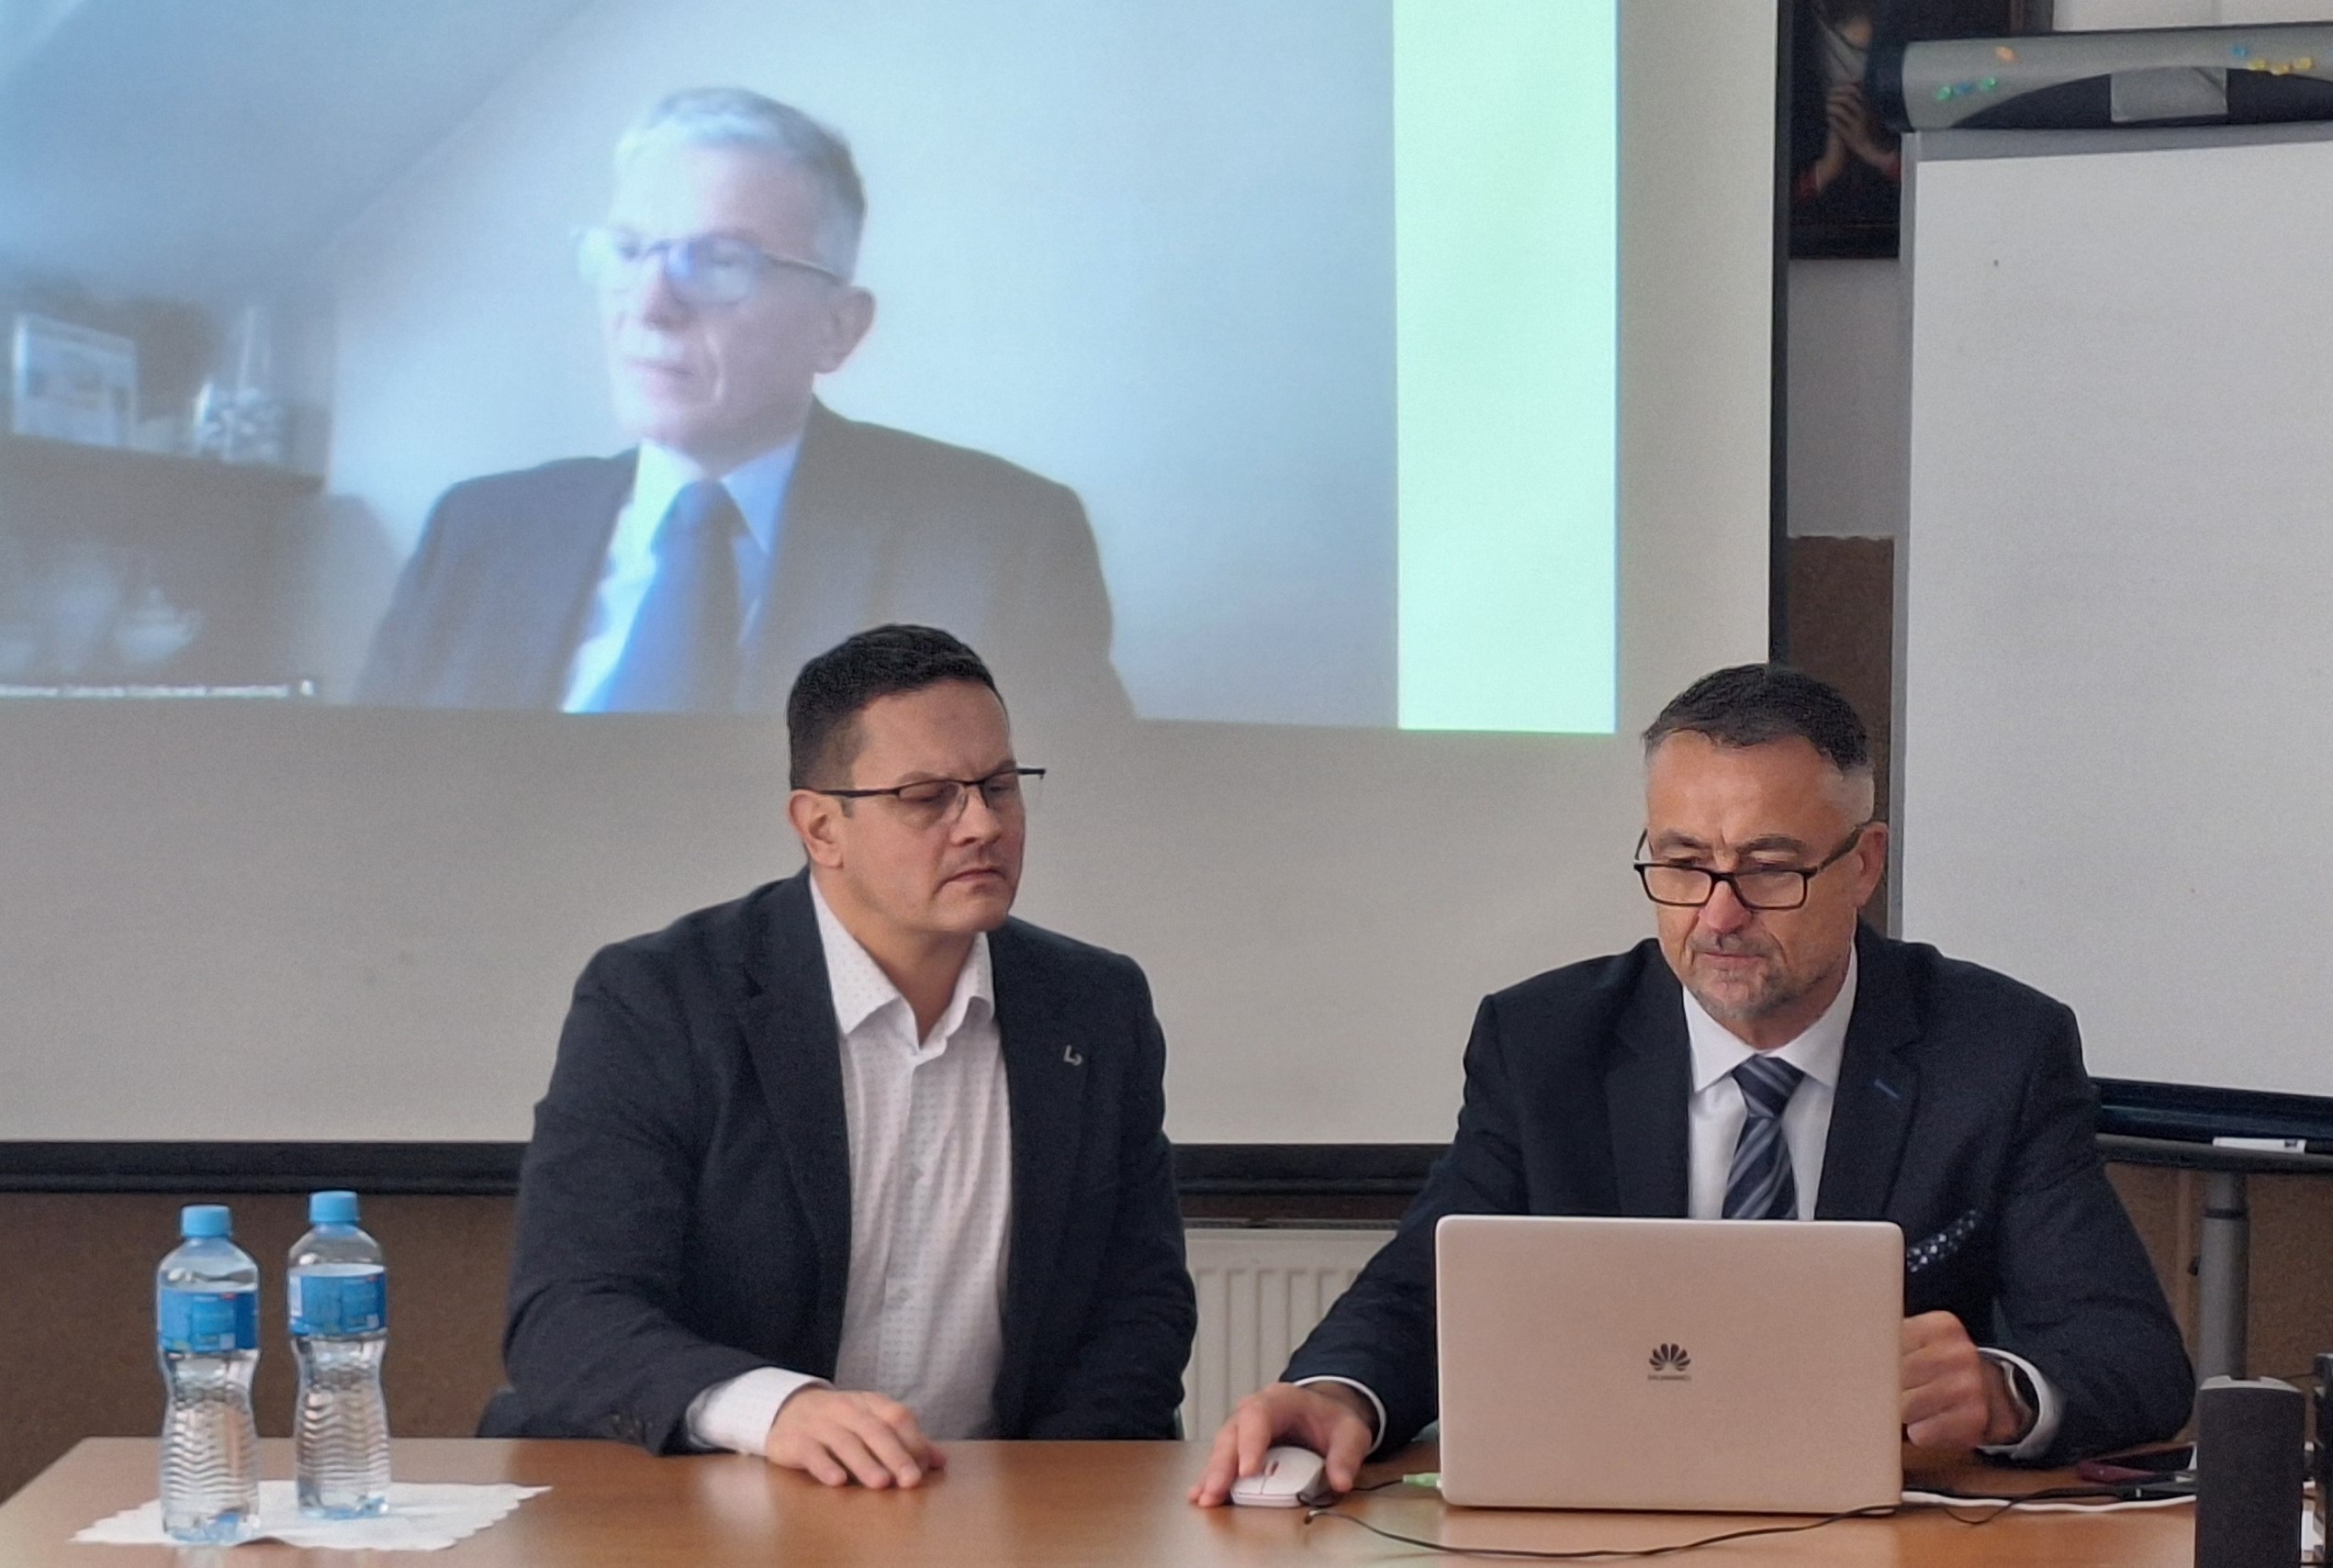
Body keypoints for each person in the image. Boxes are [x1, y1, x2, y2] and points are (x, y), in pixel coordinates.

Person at [1193, 664, 2194, 1505]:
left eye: (1768, 868)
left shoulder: (1996, 1049)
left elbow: (2131, 1356)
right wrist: (1336, 1393)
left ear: (1862, 866)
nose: (1717, 916)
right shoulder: (1544, 1043)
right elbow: (1422, 1291)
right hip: (1604, 1528)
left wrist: (2002, 1392)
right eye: (1681, 863)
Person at [484, 624, 1192, 1483]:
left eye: (1000, 787)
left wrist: (1037, 1501)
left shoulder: (1094, 1005)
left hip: (992, 1506)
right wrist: (773, 1410)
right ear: (821, 828)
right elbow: (568, 1314)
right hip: (709, 1497)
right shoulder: (662, 999)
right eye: (928, 797)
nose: (981, 825)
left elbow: (1138, 1310)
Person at [355, 88, 1127, 726]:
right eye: (627, 251)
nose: (649, 305)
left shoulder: (997, 543)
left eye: (720, 262)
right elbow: (368, 811)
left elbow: (1068, 834)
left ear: (836, 327)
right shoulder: (476, 533)